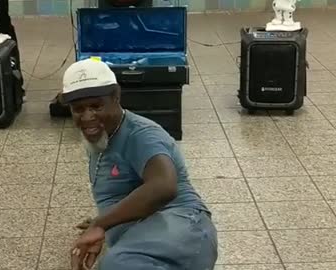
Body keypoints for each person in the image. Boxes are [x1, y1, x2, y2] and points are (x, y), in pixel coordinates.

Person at [60, 58, 218, 270]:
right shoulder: (102, 136)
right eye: (78, 109)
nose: (87, 116)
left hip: (184, 225)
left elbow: (164, 186)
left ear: (116, 96)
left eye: (96, 106)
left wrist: (102, 223)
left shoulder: (142, 135)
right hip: (148, 232)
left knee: (117, 265)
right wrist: (107, 219)